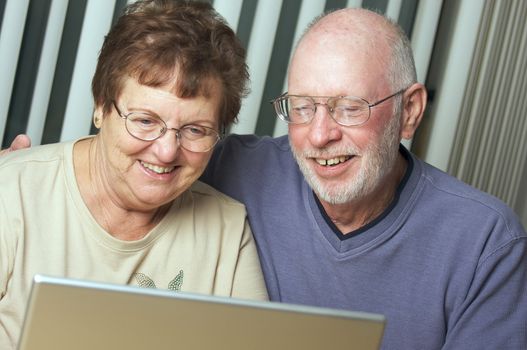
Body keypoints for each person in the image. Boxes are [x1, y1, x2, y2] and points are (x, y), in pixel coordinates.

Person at [4, 6, 526, 350]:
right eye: (301, 107)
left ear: (409, 111)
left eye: (348, 107)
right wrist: (16, 176)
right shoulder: (18, 191)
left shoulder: (485, 244)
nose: (320, 135)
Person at [0, 1, 268, 349]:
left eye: (195, 130)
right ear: (100, 106)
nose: (167, 151)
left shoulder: (227, 232)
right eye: (145, 121)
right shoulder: (12, 191)